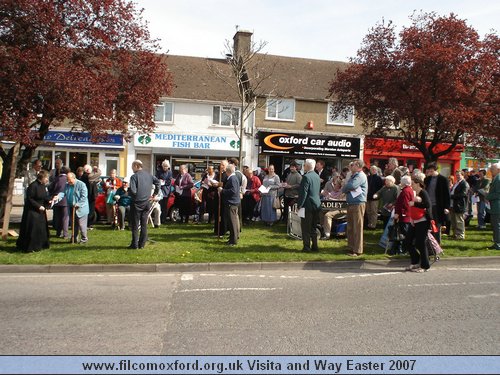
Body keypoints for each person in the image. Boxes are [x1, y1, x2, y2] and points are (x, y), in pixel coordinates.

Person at [404, 173, 433, 272]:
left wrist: (415, 203)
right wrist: (412, 218)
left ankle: (425, 266)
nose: (411, 185)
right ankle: (415, 261)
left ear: (417, 183)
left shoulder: (423, 192)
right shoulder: (415, 193)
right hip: (414, 220)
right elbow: (413, 208)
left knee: (420, 243)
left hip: (423, 221)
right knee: (408, 241)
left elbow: (427, 205)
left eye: (412, 183)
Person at [128, 160, 160, 249]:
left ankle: (134, 244)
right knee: (144, 224)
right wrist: (154, 194)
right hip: (146, 203)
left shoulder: (134, 177)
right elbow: (158, 183)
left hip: (137, 203)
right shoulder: (149, 175)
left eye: (132, 166)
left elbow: (133, 191)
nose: (132, 168)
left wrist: (128, 191)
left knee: (135, 224)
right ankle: (142, 244)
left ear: (136, 166)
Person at [16, 170, 51, 252]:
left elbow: (44, 196)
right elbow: (30, 199)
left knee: (41, 229)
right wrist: (38, 206)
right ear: (42, 178)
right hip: (32, 212)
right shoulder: (33, 186)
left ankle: (41, 244)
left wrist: (49, 200)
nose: (47, 180)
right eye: (46, 178)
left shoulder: (43, 186)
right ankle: (31, 246)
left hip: (41, 212)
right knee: (33, 229)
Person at [342, 159, 368, 257]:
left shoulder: (360, 175)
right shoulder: (354, 175)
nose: (351, 166)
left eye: (353, 165)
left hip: (358, 203)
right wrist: (346, 187)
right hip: (351, 203)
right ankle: (351, 247)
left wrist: (345, 187)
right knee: (351, 227)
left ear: (358, 165)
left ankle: (357, 250)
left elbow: (351, 185)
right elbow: (347, 186)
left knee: (357, 227)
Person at [57, 172, 89, 244]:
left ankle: (84, 239)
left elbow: (84, 197)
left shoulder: (81, 185)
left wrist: (78, 204)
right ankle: (74, 238)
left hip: (81, 208)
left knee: (81, 224)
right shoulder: (67, 185)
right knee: (74, 224)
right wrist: (58, 196)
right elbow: (63, 193)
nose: (68, 181)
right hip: (71, 207)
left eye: (69, 179)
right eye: (67, 180)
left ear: (74, 178)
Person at [297, 159, 321, 252]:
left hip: (308, 205)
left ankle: (306, 247)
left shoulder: (306, 177)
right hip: (316, 204)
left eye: (304, 165)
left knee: (306, 228)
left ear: (307, 166)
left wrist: (299, 205)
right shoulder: (316, 176)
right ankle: (315, 246)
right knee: (313, 227)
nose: (304, 166)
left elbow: (304, 193)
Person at [219, 163, 241, 246]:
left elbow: (233, 191)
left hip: (231, 203)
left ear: (228, 171)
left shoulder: (232, 179)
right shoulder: (233, 178)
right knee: (233, 222)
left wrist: (222, 190)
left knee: (233, 222)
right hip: (232, 202)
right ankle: (233, 238)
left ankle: (233, 240)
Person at [393, 175, 414, 255]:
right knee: (405, 233)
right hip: (406, 215)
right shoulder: (408, 190)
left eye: (401, 181)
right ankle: (405, 249)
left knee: (405, 234)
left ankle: (405, 250)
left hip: (404, 216)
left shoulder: (405, 191)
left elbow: (404, 204)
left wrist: (398, 213)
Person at [49, 166, 69, 239]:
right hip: (65, 200)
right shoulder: (67, 179)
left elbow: (50, 188)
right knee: (65, 218)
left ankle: (58, 232)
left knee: (58, 217)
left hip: (56, 200)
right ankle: (65, 234)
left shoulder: (56, 178)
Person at [449, 170, 469, 240]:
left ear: (462, 175)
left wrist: (452, 196)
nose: (457, 176)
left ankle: (460, 235)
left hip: (460, 204)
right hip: (453, 204)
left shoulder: (464, 183)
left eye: (459, 175)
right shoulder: (456, 183)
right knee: (453, 220)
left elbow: (463, 194)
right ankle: (455, 234)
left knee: (459, 221)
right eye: (456, 175)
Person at [486, 163, 500, 250]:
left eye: (492, 169)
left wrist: (488, 196)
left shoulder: (498, 179)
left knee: (496, 226)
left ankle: (498, 244)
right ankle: (496, 242)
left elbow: (498, 194)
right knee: (496, 226)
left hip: (497, 206)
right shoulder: (496, 178)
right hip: (495, 206)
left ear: (498, 170)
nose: (491, 171)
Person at [213, 160, 229, 237]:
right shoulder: (218, 174)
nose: (221, 166)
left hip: (224, 197)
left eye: (223, 165)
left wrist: (219, 184)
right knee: (217, 214)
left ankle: (223, 231)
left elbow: (225, 184)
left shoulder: (226, 174)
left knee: (223, 215)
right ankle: (216, 230)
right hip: (217, 196)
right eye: (220, 165)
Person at [156, 160, 172, 224]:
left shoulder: (169, 172)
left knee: (164, 206)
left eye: (166, 166)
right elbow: (156, 179)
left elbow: (169, 181)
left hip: (166, 191)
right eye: (164, 166)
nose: (165, 167)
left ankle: (163, 219)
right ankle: (158, 219)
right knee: (159, 205)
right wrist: (160, 181)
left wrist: (163, 182)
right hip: (160, 190)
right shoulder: (159, 172)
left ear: (168, 167)